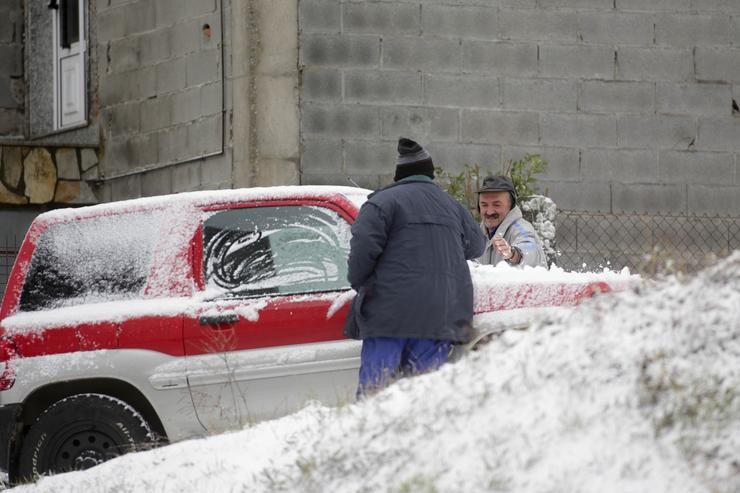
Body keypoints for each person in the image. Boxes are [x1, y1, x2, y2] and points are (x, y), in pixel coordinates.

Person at [344, 138, 487, 397]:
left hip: (388, 316)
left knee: (375, 398)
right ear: (429, 175)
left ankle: (373, 437)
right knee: (422, 400)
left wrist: (359, 282)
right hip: (440, 316)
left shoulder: (381, 203)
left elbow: (362, 252)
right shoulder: (452, 207)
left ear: (399, 175)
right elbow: (477, 246)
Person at [476, 175, 547, 267]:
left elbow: (530, 248)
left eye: (497, 205)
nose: (489, 212)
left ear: (511, 206)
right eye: (484, 205)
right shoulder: (477, 233)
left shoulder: (522, 228)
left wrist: (513, 254)